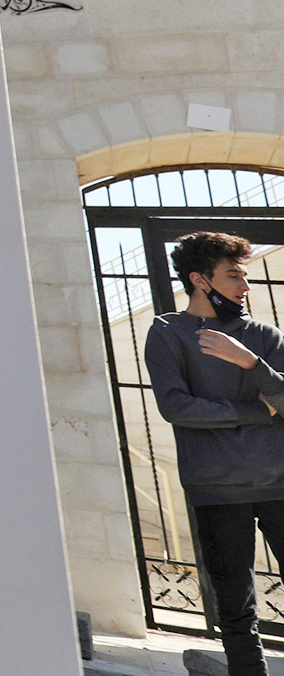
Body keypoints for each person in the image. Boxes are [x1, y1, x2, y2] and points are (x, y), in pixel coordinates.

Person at [145, 231, 284, 676]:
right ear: (199, 280)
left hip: (280, 483)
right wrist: (256, 411)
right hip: (216, 490)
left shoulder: (263, 336)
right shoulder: (168, 333)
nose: (245, 287)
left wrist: (249, 362)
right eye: (233, 276)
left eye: (245, 277)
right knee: (236, 610)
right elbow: (177, 407)